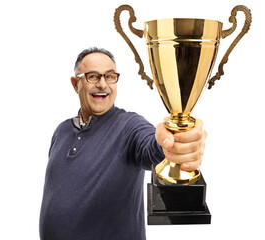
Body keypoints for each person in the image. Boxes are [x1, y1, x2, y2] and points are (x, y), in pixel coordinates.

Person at [39, 47, 207, 240]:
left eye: (110, 77)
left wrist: (172, 141)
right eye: (93, 76)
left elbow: (151, 147)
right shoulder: (61, 131)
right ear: (75, 83)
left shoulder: (129, 126)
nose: (103, 84)